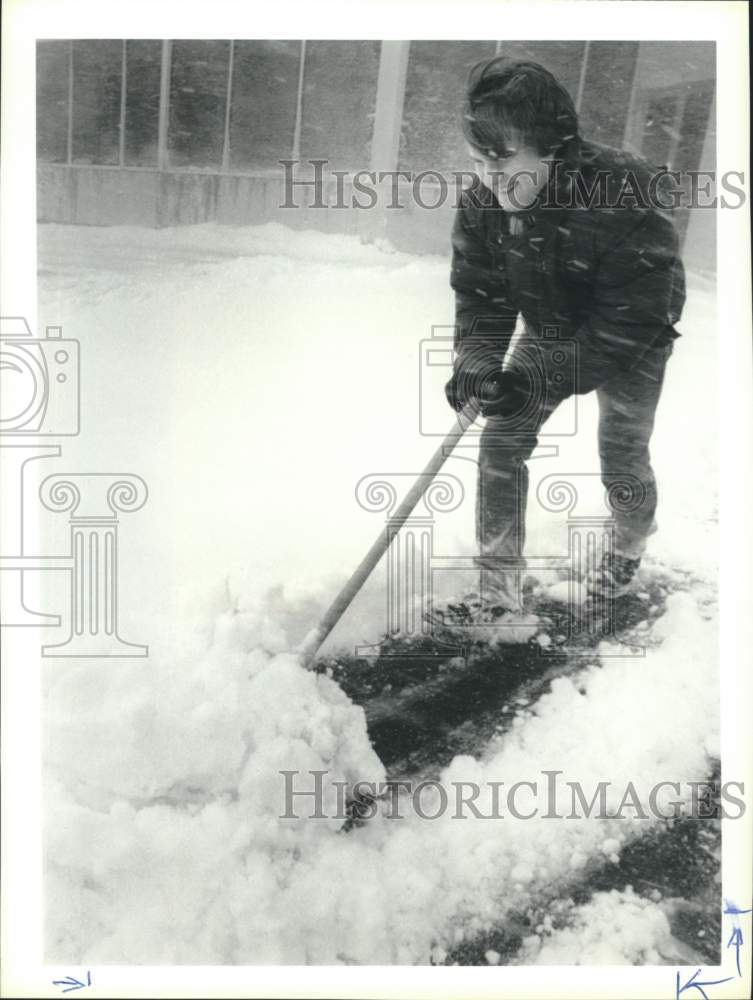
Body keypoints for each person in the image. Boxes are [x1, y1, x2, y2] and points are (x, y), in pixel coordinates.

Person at [444, 57, 686, 617]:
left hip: (635, 334)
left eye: (502, 161)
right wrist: (479, 364)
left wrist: (544, 374)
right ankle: (498, 591)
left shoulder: (625, 194)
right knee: (501, 440)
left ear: (551, 147)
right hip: (551, 319)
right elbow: (482, 293)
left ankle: (628, 546)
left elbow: (631, 319)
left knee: (621, 454)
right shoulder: (486, 200)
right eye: (478, 161)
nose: (489, 178)